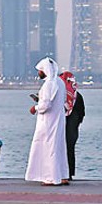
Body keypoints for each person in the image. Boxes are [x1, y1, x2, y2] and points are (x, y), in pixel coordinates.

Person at [25, 57, 70, 186]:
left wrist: (35, 108)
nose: (38, 73)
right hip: (59, 119)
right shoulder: (60, 82)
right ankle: (62, 176)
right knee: (59, 147)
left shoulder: (49, 84)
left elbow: (46, 105)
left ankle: (50, 177)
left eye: (39, 70)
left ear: (45, 70)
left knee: (48, 147)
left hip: (48, 121)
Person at [59, 71, 85, 181]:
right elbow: (82, 113)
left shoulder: (62, 94)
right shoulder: (77, 96)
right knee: (70, 150)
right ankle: (69, 173)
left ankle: (61, 172)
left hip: (62, 128)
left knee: (61, 149)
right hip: (73, 130)